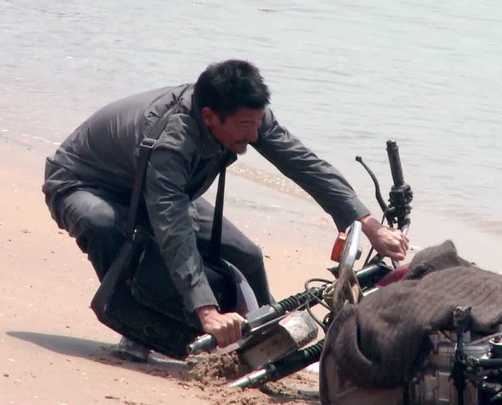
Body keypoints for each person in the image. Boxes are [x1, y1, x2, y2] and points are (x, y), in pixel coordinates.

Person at [42, 59, 409, 361]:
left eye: (257, 123)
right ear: (208, 117)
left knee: (246, 254)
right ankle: (137, 327)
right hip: (83, 183)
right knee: (106, 225)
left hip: (157, 186)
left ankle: (271, 340)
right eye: (245, 127)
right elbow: (172, 226)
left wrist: (366, 223)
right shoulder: (172, 141)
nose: (253, 136)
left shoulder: (246, 116)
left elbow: (304, 164)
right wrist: (207, 311)